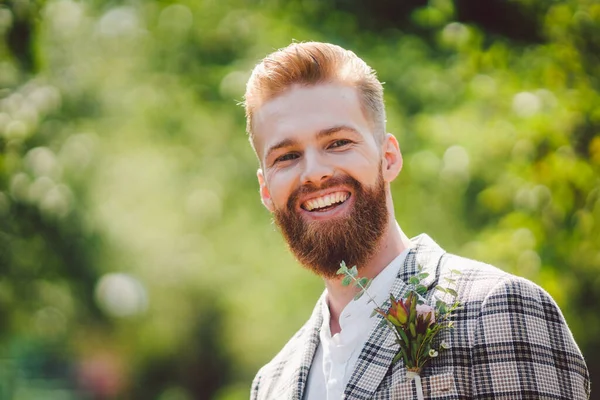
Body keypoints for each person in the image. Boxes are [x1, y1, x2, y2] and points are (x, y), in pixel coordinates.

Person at [244, 42, 590, 400]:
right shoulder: (271, 384)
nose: (314, 173)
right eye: (287, 156)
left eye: (338, 143)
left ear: (388, 157)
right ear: (266, 189)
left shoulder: (499, 309)